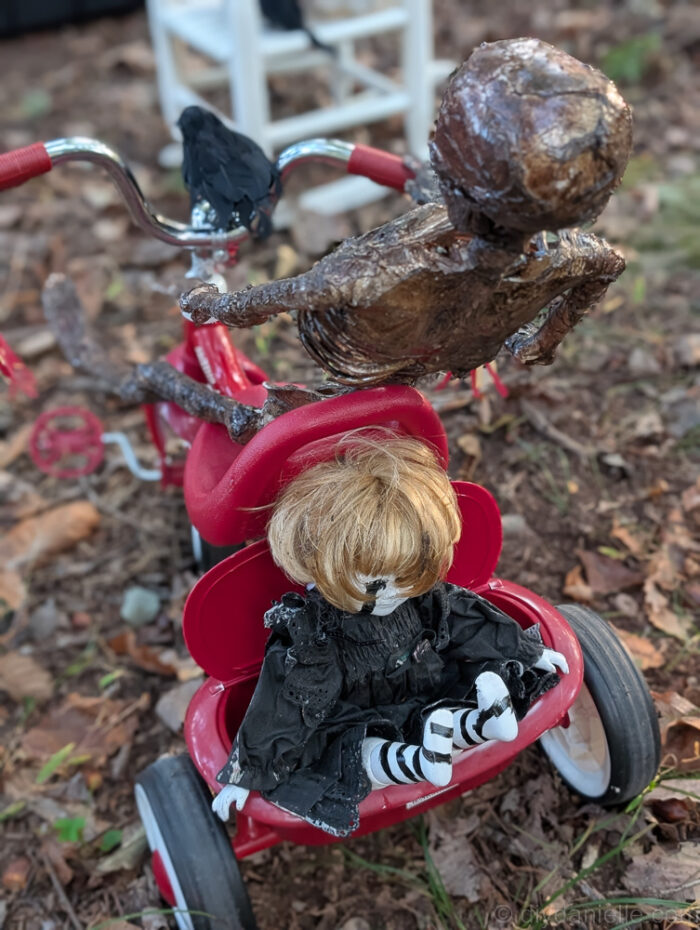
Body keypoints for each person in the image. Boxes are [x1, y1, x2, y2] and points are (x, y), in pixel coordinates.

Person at [213, 433, 568, 836]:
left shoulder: (423, 600)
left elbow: (467, 619)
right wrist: (249, 770)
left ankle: (481, 721)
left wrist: (526, 649)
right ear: (317, 565)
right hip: (359, 716)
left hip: (427, 692)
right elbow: (290, 700)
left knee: (460, 689)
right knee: (354, 751)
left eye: (410, 576)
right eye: (376, 584)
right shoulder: (317, 634)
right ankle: (426, 758)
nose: (395, 594)